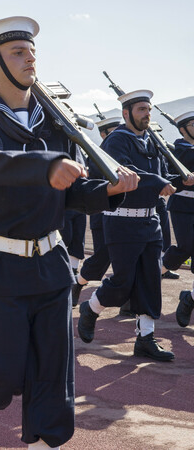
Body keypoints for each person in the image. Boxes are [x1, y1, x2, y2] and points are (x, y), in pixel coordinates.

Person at [0, 17, 138, 450]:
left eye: (31, 52)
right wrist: (45, 166)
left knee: (53, 374)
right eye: (17, 53)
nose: (29, 59)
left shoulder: (53, 120)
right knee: (3, 374)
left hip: (50, 264)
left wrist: (108, 190)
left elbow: (71, 191)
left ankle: (46, 444)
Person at [78, 90, 194, 362]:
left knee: (150, 280)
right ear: (126, 113)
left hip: (149, 220)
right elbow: (124, 171)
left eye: (149, 110)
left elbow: (164, 174)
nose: (147, 114)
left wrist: (180, 179)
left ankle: (145, 339)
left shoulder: (152, 140)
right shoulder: (117, 140)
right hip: (122, 221)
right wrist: (158, 181)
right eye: (141, 109)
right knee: (122, 282)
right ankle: (91, 308)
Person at [71, 117, 121, 306]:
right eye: (114, 130)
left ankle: (130, 304)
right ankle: (79, 282)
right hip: (103, 211)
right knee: (103, 254)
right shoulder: (96, 153)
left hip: (125, 212)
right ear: (103, 134)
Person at [161, 111, 194, 327]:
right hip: (183, 205)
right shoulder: (178, 149)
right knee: (186, 247)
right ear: (183, 129)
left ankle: (189, 299)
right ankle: (156, 272)